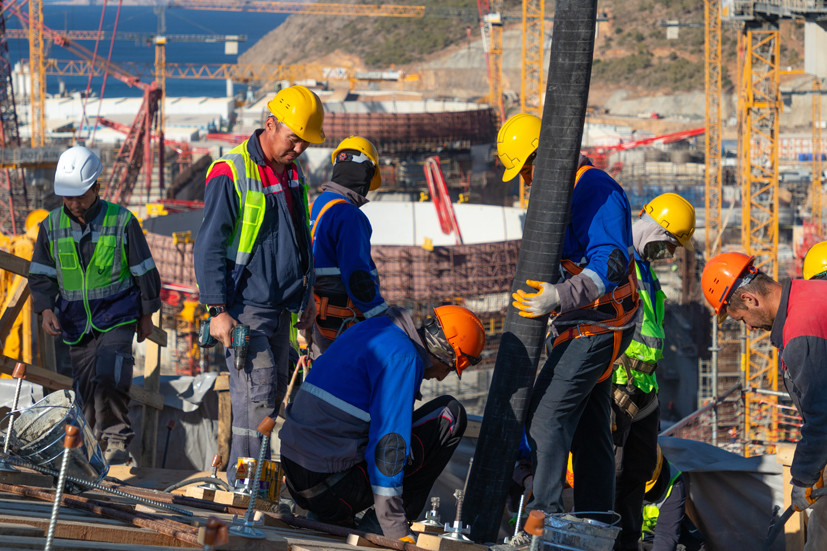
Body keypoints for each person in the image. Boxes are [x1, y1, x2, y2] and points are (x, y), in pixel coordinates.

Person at [503, 113, 639, 516]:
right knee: (589, 428)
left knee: (545, 419)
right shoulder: (567, 191)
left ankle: (543, 519)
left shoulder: (594, 188)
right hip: (586, 325)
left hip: (600, 325)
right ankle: (598, 523)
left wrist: (559, 296)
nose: (526, 181)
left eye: (525, 170)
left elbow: (610, 264)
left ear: (542, 156)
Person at [194, 84, 323, 478]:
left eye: (305, 142)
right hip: (245, 311)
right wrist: (216, 311)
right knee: (258, 401)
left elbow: (301, 238)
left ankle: (258, 490)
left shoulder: (292, 174)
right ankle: (245, 491)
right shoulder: (231, 172)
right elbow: (209, 246)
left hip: (282, 310)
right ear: (270, 124)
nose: (299, 148)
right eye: (293, 138)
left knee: (273, 398)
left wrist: (307, 296)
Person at [278, 305, 486, 541]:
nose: (441, 377)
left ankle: (335, 516)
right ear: (444, 353)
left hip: (297, 480)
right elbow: (389, 443)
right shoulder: (403, 358)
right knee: (450, 415)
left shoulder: (374, 329)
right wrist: (395, 529)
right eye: (450, 368)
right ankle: (381, 523)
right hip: (329, 490)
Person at [28, 145, 161, 465]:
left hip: (117, 315)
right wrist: (45, 309)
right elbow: (41, 275)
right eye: (67, 197)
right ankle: (89, 446)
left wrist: (146, 315)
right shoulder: (51, 226)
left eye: (80, 196)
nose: (73, 203)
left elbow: (144, 271)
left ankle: (117, 440)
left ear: (96, 187)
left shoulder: (122, 221)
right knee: (84, 387)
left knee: (111, 371)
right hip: (75, 321)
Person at [701, 252, 827, 519]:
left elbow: (822, 415)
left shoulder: (800, 332)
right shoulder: (809, 291)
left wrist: (803, 477)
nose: (748, 328)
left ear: (750, 299)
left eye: (741, 319)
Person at [612, 193, 696, 551]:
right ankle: (610, 540)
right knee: (612, 472)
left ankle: (628, 543)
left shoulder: (644, 270)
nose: (669, 255)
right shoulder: (618, 260)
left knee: (638, 471)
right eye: (667, 245)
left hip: (644, 388)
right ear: (651, 226)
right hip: (618, 383)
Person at [308, 136, 388, 358]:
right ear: (366, 174)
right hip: (341, 325)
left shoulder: (314, 206)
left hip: (316, 322)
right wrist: (382, 318)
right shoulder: (349, 215)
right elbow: (357, 276)